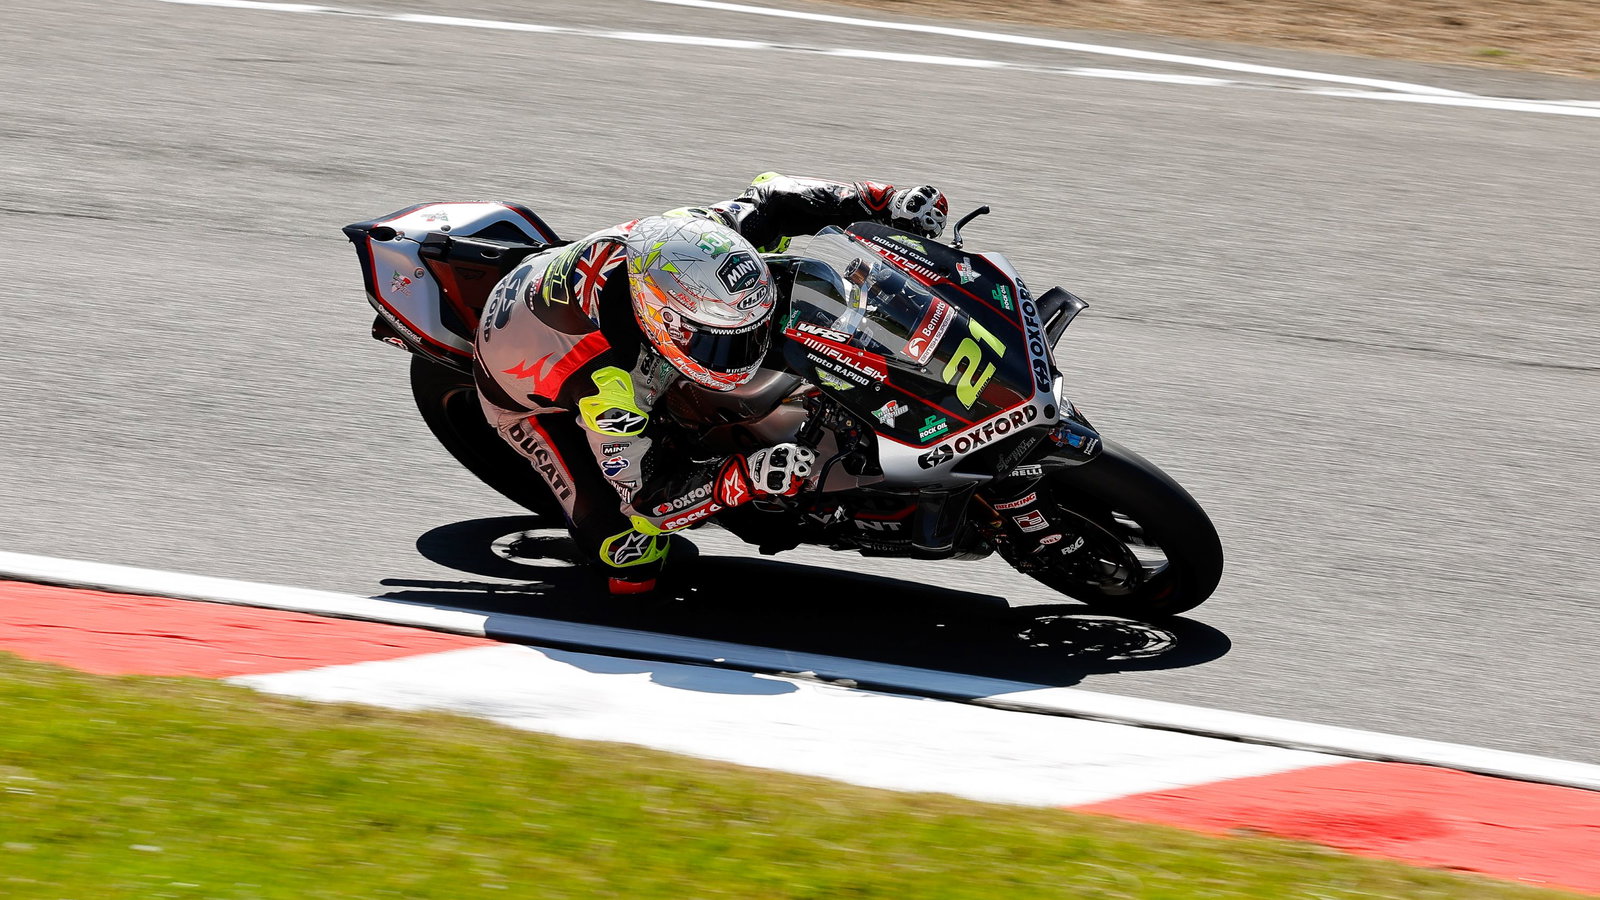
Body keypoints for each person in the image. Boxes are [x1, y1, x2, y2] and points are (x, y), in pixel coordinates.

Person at [473, 173, 949, 594]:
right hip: (523, 387)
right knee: (629, 556)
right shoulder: (611, 390)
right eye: (724, 343)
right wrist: (745, 477)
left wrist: (883, 201)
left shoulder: (700, 235)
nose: (750, 350)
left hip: (575, 291)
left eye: (751, 332)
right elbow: (648, 502)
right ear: (665, 323)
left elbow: (774, 197)